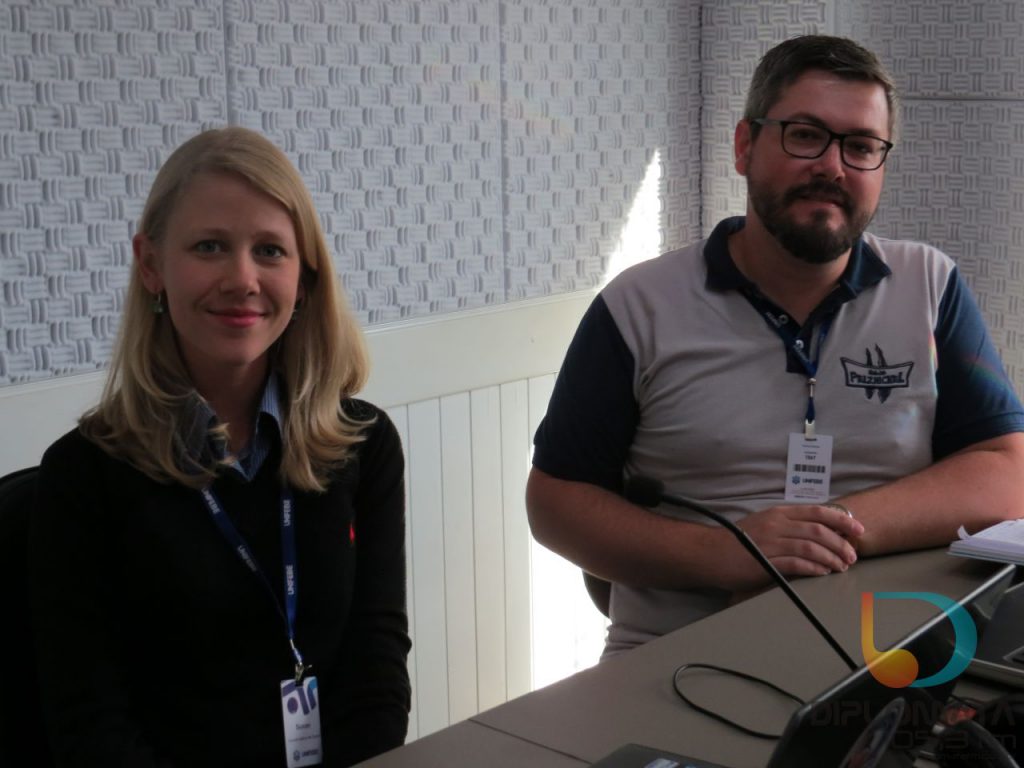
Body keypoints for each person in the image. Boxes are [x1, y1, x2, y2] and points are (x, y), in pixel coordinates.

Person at [526, 35, 1024, 655]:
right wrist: (731, 554)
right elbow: (555, 503)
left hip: (890, 651)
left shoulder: (931, 286)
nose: (833, 167)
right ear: (744, 146)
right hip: (677, 657)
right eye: (805, 135)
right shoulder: (637, 308)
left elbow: (1007, 473)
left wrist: (826, 536)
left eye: (861, 146)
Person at [30, 127, 411, 766]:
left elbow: (377, 672)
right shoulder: (81, 476)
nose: (242, 278)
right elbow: (91, 725)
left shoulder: (363, 446)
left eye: (270, 250)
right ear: (150, 264)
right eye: (209, 246)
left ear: (304, 275)